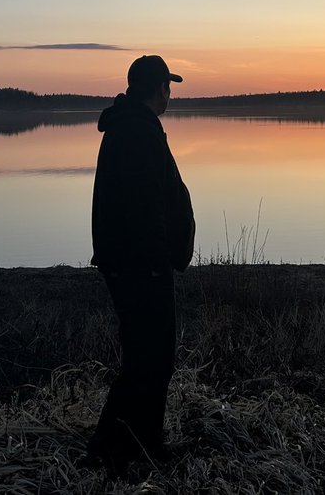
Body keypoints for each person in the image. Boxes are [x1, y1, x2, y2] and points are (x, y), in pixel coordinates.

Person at [85, 54, 195, 474]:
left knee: (149, 357)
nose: (170, 93)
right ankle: (111, 447)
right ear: (155, 88)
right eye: (167, 86)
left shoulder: (133, 127)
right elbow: (144, 206)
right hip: (140, 265)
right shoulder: (136, 133)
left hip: (135, 261)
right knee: (149, 358)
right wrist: (154, 261)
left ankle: (140, 441)